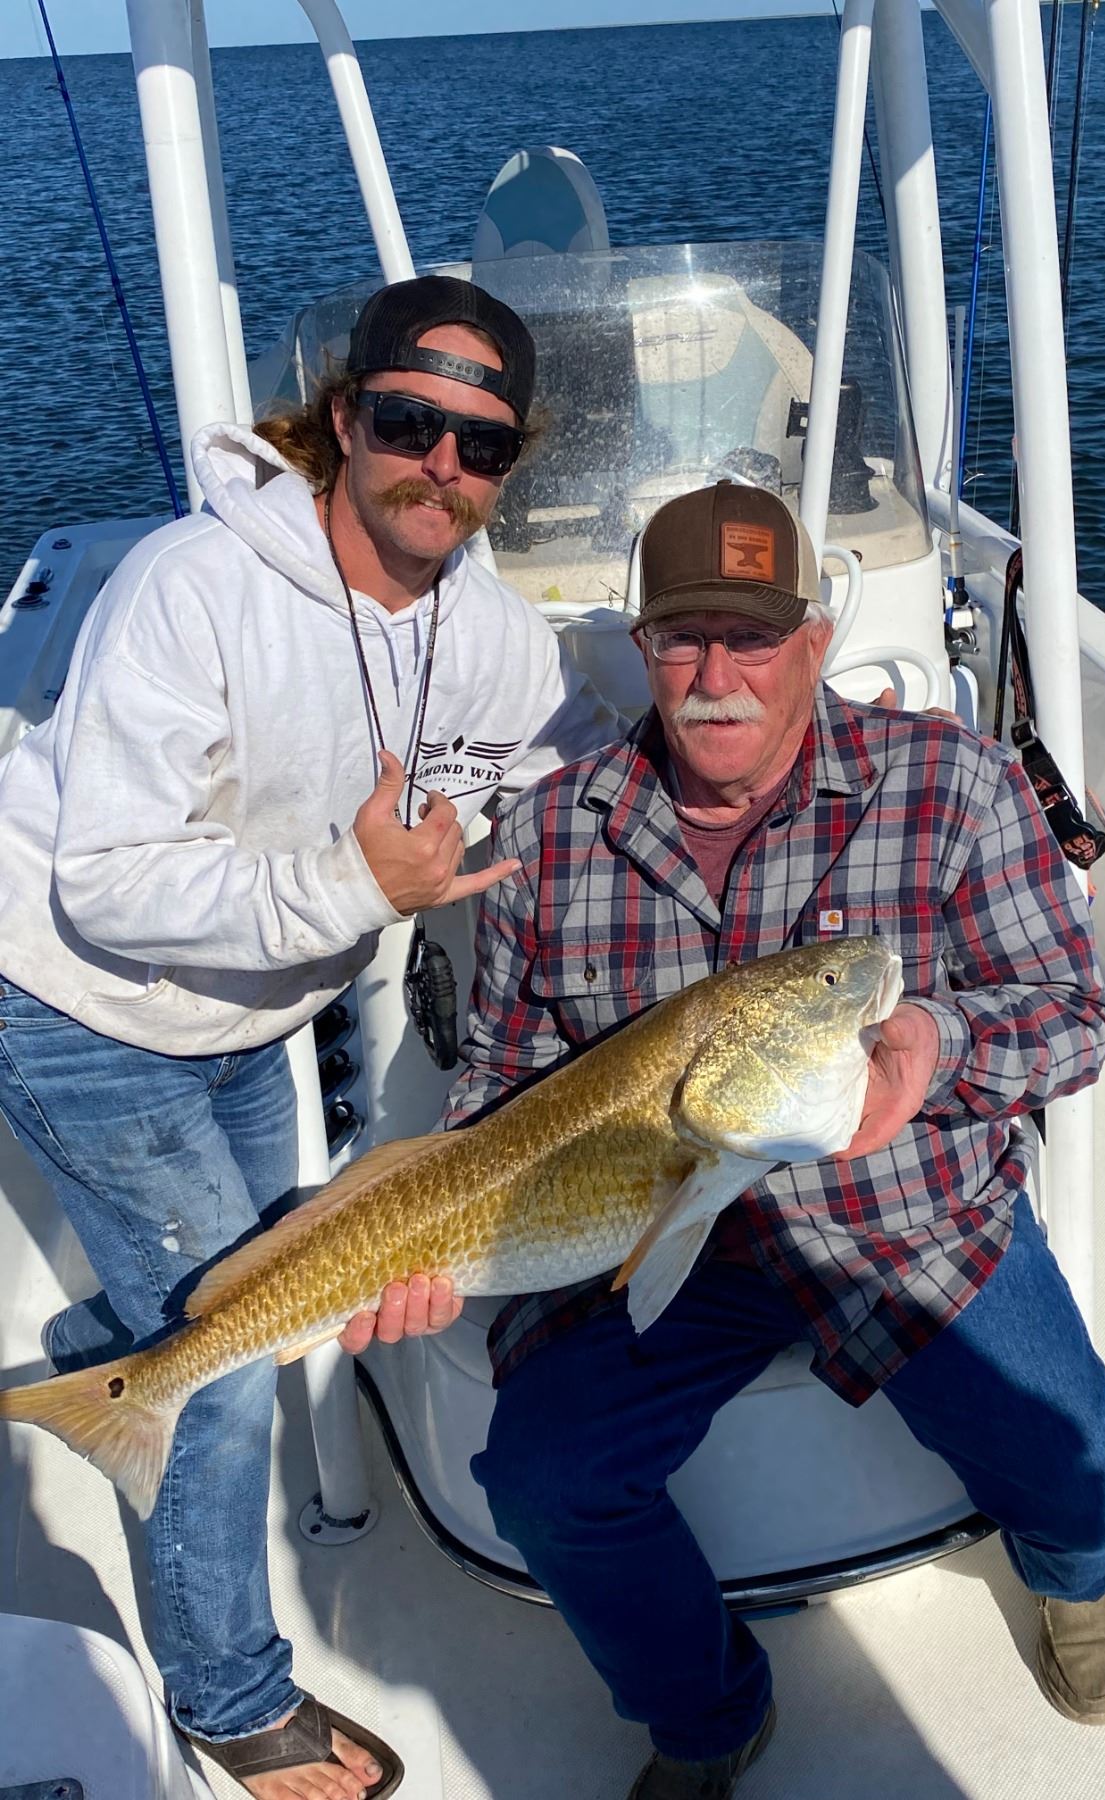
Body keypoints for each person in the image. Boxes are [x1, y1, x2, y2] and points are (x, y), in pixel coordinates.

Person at [422, 481, 1105, 1799]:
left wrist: (938, 1046)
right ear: (642, 648)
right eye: (682, 638)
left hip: (902, 1216)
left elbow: (1072, 1017)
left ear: (814, 642)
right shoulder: (549, 831)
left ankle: (1073, 1574)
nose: (716, 678)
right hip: (654, 1226)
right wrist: (435, 1239)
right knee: (542, 1481)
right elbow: (502, 1080)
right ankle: (706, 1716)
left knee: (1084, 1477)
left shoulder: (954, 783)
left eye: (753, 638)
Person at [0, 274, 620, 1800]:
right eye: (408, 423)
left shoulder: (485, 630)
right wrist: (353, 889)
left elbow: (583, 765)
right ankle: (229, 1702)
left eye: (482, 446)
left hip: (253, 1010)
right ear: (344, 420)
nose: (441, 467)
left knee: (256, 1271)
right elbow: (105, 881)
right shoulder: (192, 587)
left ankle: (115, 1333)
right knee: (221, 1368)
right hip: (81, 1002)